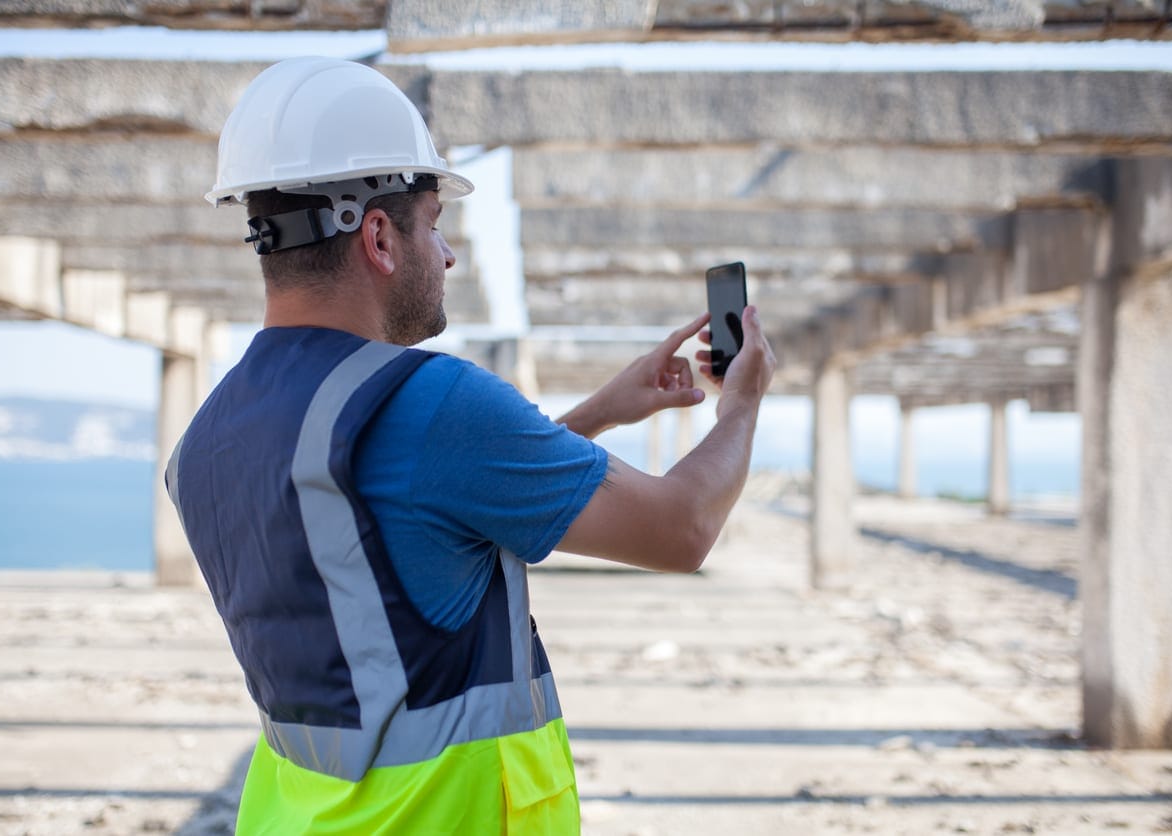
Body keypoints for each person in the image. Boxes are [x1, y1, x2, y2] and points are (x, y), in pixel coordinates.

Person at [166, 56, 775, 834]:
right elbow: (682, 527)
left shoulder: (210, 439)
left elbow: (412, 524)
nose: (448, 254)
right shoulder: (435, 403)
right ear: (379, 237)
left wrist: (598, 413)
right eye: (433, 224)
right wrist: (743, 404)